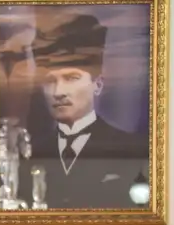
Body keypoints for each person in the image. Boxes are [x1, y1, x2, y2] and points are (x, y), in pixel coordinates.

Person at [27, 12, 148, 209]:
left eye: (71, 78)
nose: (58, 92)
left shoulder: (131, 149)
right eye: (50, 81)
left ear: (97, 84)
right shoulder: (31, 154)